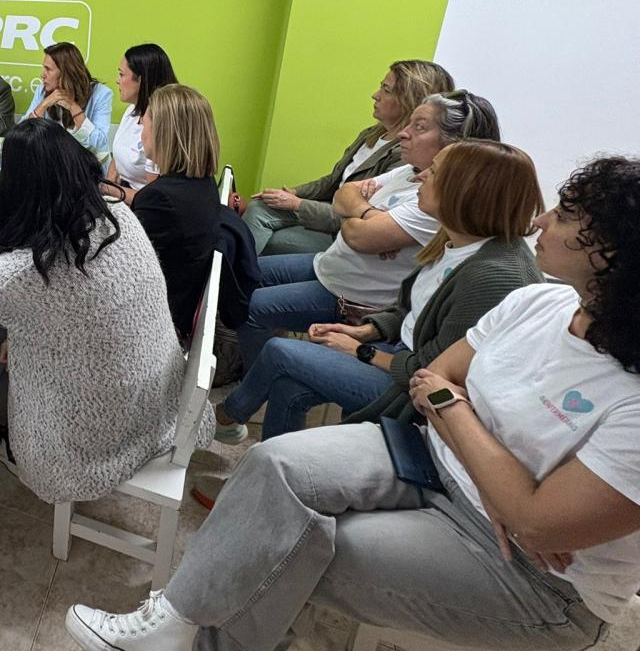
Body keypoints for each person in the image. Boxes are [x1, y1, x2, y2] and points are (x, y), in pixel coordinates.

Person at [65, 156, 640, 651]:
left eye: (564, 216)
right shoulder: (539, 302)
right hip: (431, 459)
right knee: (275, 466)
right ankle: (177, 619)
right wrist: (502, 485)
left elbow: (537, 524)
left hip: (538, 578)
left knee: (295, 549)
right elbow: (436, 375)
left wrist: (478, 450)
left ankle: (187, 633)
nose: (540, 219)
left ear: (616, 254)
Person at [0, 118, 210, 500]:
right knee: (13, 335)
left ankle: (4, 439)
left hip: (98, 438)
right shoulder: (119, 216)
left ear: (17, 189)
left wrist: (5, 217)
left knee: (6, 338)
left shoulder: (31, 269)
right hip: (157, 401)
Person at [215, 139, 544, 443]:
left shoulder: (495, 276)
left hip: (410, 391)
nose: (421, 177)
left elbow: (435, 373)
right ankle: (273, 474)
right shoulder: (454, 238)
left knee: (280, 351)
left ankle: (224, 419)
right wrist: (364, 331)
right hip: (395, 349)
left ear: (467, 191)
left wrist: (362, 351)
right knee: (288, 385)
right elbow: (409, 309)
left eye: (435, 172)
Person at [232, 90, 500, 378]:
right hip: (330, 266)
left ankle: (256, 381)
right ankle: (250, 367)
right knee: (240, 272)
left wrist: (357, 216)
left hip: (349, 296)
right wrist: (369, 216)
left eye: (419, 127)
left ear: (455, 144)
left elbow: (359, 237)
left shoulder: (434, 198)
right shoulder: (408, 171)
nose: (402, 135)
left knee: (249, 307)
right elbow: (342, 194)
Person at [244, 60, 455, 256]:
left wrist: (297, 204)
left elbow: (361, 217)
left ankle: (231, 279)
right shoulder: (371, 134)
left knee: (274, 237)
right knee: (259, 207)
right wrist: (293, 193)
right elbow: (334, 183)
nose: (375, 95)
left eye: (386, 89)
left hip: (339, 231)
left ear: (409, 101)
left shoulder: (406, 157)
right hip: (333, 211)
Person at [128, 84, 260, 348]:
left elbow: (129, 276)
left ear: (164, 133)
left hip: (158, 322)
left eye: (146, 122)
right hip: (179, 304)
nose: (141, 127)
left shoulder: (158, 199)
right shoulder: (201, 183)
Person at [104, 44, 177, 202]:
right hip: (122, 193)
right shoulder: (132, 110)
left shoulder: (161, 125)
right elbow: (117, 159)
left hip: (143, 206)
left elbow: (153, 200)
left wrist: (107, 190)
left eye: (121, 75)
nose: (117, 81)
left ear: (142, 80)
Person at [20, 42, 113, 160]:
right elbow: (22, 134)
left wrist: (74, 107)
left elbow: (100, 142)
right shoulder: (42, 90)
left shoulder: (101, 94)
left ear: (66, 73)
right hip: (51, 162)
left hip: (86, 165)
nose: (42, 75)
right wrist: (43, 105)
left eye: (48, 69)